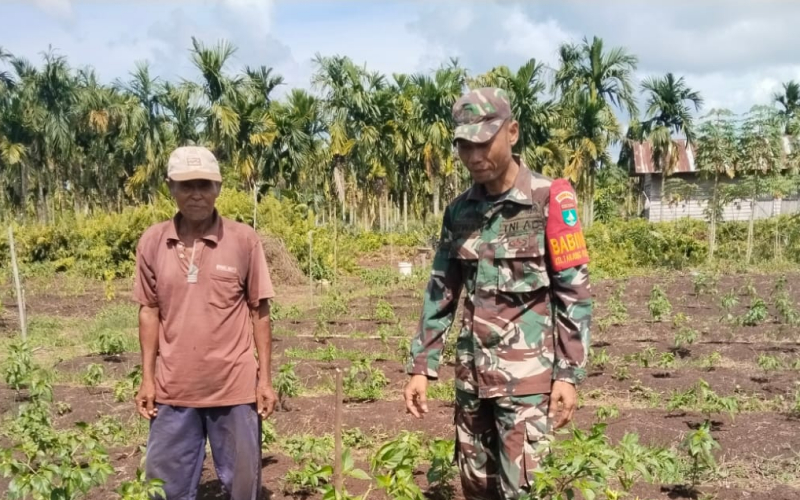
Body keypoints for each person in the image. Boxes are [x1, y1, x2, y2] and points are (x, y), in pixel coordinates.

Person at [403, 88, 592, 500]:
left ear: (513, 132)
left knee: (526, 491)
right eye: (464, 145)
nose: (473, 155)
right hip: (472, 382)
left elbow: (573, 292)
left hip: (527, 385)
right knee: (475, 489)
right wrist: (422, 365)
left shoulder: (549, 200)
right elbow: (441, 290)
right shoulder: (458, 212)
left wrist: (568, 375)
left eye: (483, 141)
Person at [133, 145, 278, 500]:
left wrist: (265, 380)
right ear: (170, 187)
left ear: (219, 187)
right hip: (172, 390)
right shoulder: (153, 241)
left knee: (243, 487)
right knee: (165, 489)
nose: (196, 194)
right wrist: (148, 379)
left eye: (204, 184)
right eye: (186, 185)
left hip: (234, 389)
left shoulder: (243, 240)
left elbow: (259, 311)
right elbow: (149, 311)